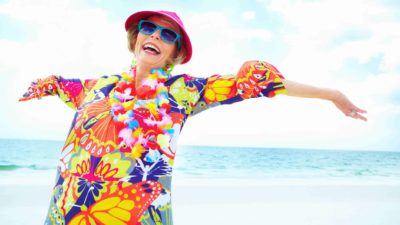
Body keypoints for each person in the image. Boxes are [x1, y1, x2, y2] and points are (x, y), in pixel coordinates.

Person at [19, 10, 367, 225]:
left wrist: (331, 94)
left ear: (176, 52)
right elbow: (53, 82)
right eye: (148, 28)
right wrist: (39, 85)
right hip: (69, 212)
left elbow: (257, 83)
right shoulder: (93, 88)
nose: (155, 36)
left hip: (138, 216)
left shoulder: (182, 92)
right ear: (136, 36)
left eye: (166, 34)